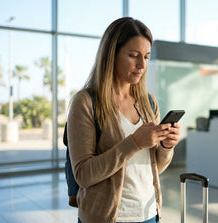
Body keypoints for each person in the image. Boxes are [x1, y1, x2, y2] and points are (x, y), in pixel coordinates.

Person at [67, 17, 181, 223]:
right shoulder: (85, 102)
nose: (141, 65)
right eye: (133, 55)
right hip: (107, 217)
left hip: (149, 214)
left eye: (146, 57)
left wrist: (166, 146)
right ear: (112, 55)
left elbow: (154, 167)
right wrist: (134, 142)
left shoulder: (149, 102)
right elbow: (83, 175)